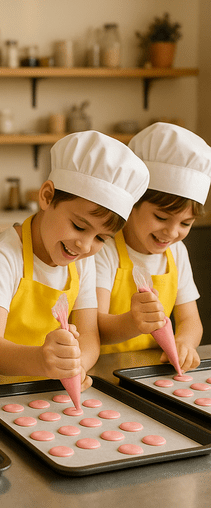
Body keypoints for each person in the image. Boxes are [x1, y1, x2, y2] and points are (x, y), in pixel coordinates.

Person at [0, 131, 149, 388]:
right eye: (78, 226)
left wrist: (76, 366)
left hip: (52, 391)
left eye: (101, 238)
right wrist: (42, 361)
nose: (85, 245)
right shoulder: (1, 255)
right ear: (47, 197)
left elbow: (89, 336)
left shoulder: (83, 261)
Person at [96, 123, 211, 372]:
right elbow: (96, 327)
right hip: (102, 370)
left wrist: (184, 343)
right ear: (132, 202)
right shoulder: (105, 249)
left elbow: (191, 320)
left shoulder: (176, 253)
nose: (171, 232)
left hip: (151, 370)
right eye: (160, 217)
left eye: (186, 223)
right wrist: (133, 322)